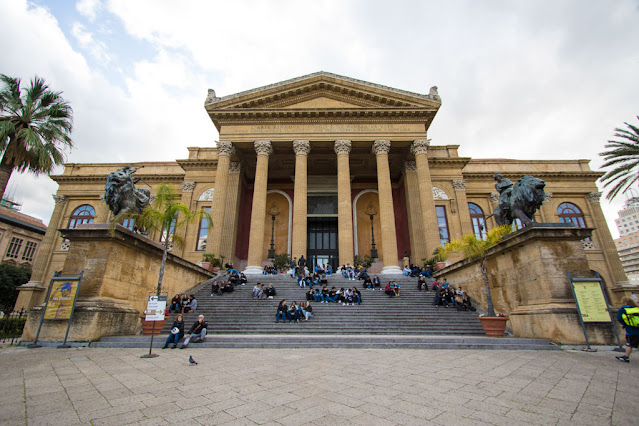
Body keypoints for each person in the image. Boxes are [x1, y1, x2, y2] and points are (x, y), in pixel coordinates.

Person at [616, 296, 639, 362]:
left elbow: (619, 318)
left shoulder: (623, 309)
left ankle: (626, 357)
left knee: (630, 344)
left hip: (631, 330)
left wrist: (625, 323)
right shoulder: (637, 308)